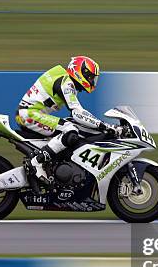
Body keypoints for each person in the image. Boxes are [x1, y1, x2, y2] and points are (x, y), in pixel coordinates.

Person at [14, 56, 121, 184]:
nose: (92, 81)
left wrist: (100, 125)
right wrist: (104, 126)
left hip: (31, 113)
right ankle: (37, 162)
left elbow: (78, 113)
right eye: (91, 77)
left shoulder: (64, 78)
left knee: (71, 125)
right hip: (29, 115)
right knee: (70, 131)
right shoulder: (66, 82)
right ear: (80, 72)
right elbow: (77, 112)